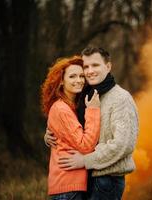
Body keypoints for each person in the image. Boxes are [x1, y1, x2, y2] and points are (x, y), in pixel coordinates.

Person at [44, 46, 139, 200]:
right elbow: (72, 128)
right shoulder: (86, 95)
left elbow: (123, 144)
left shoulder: (121, 98)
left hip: (107, 179)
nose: (89, 71)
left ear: (108, 67)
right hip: (88, 178)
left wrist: (85, 160)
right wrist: (50, 135)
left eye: (95, 65)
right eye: (86, 67)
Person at [41, 55, 101, 200]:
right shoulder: (62, 109)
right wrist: (93, 111)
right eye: (72, 76)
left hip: (72, 184)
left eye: (81, 76)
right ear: (61, 81)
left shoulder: (71, 106)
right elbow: (85, 145)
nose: (79, 80)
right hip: (67, 185)